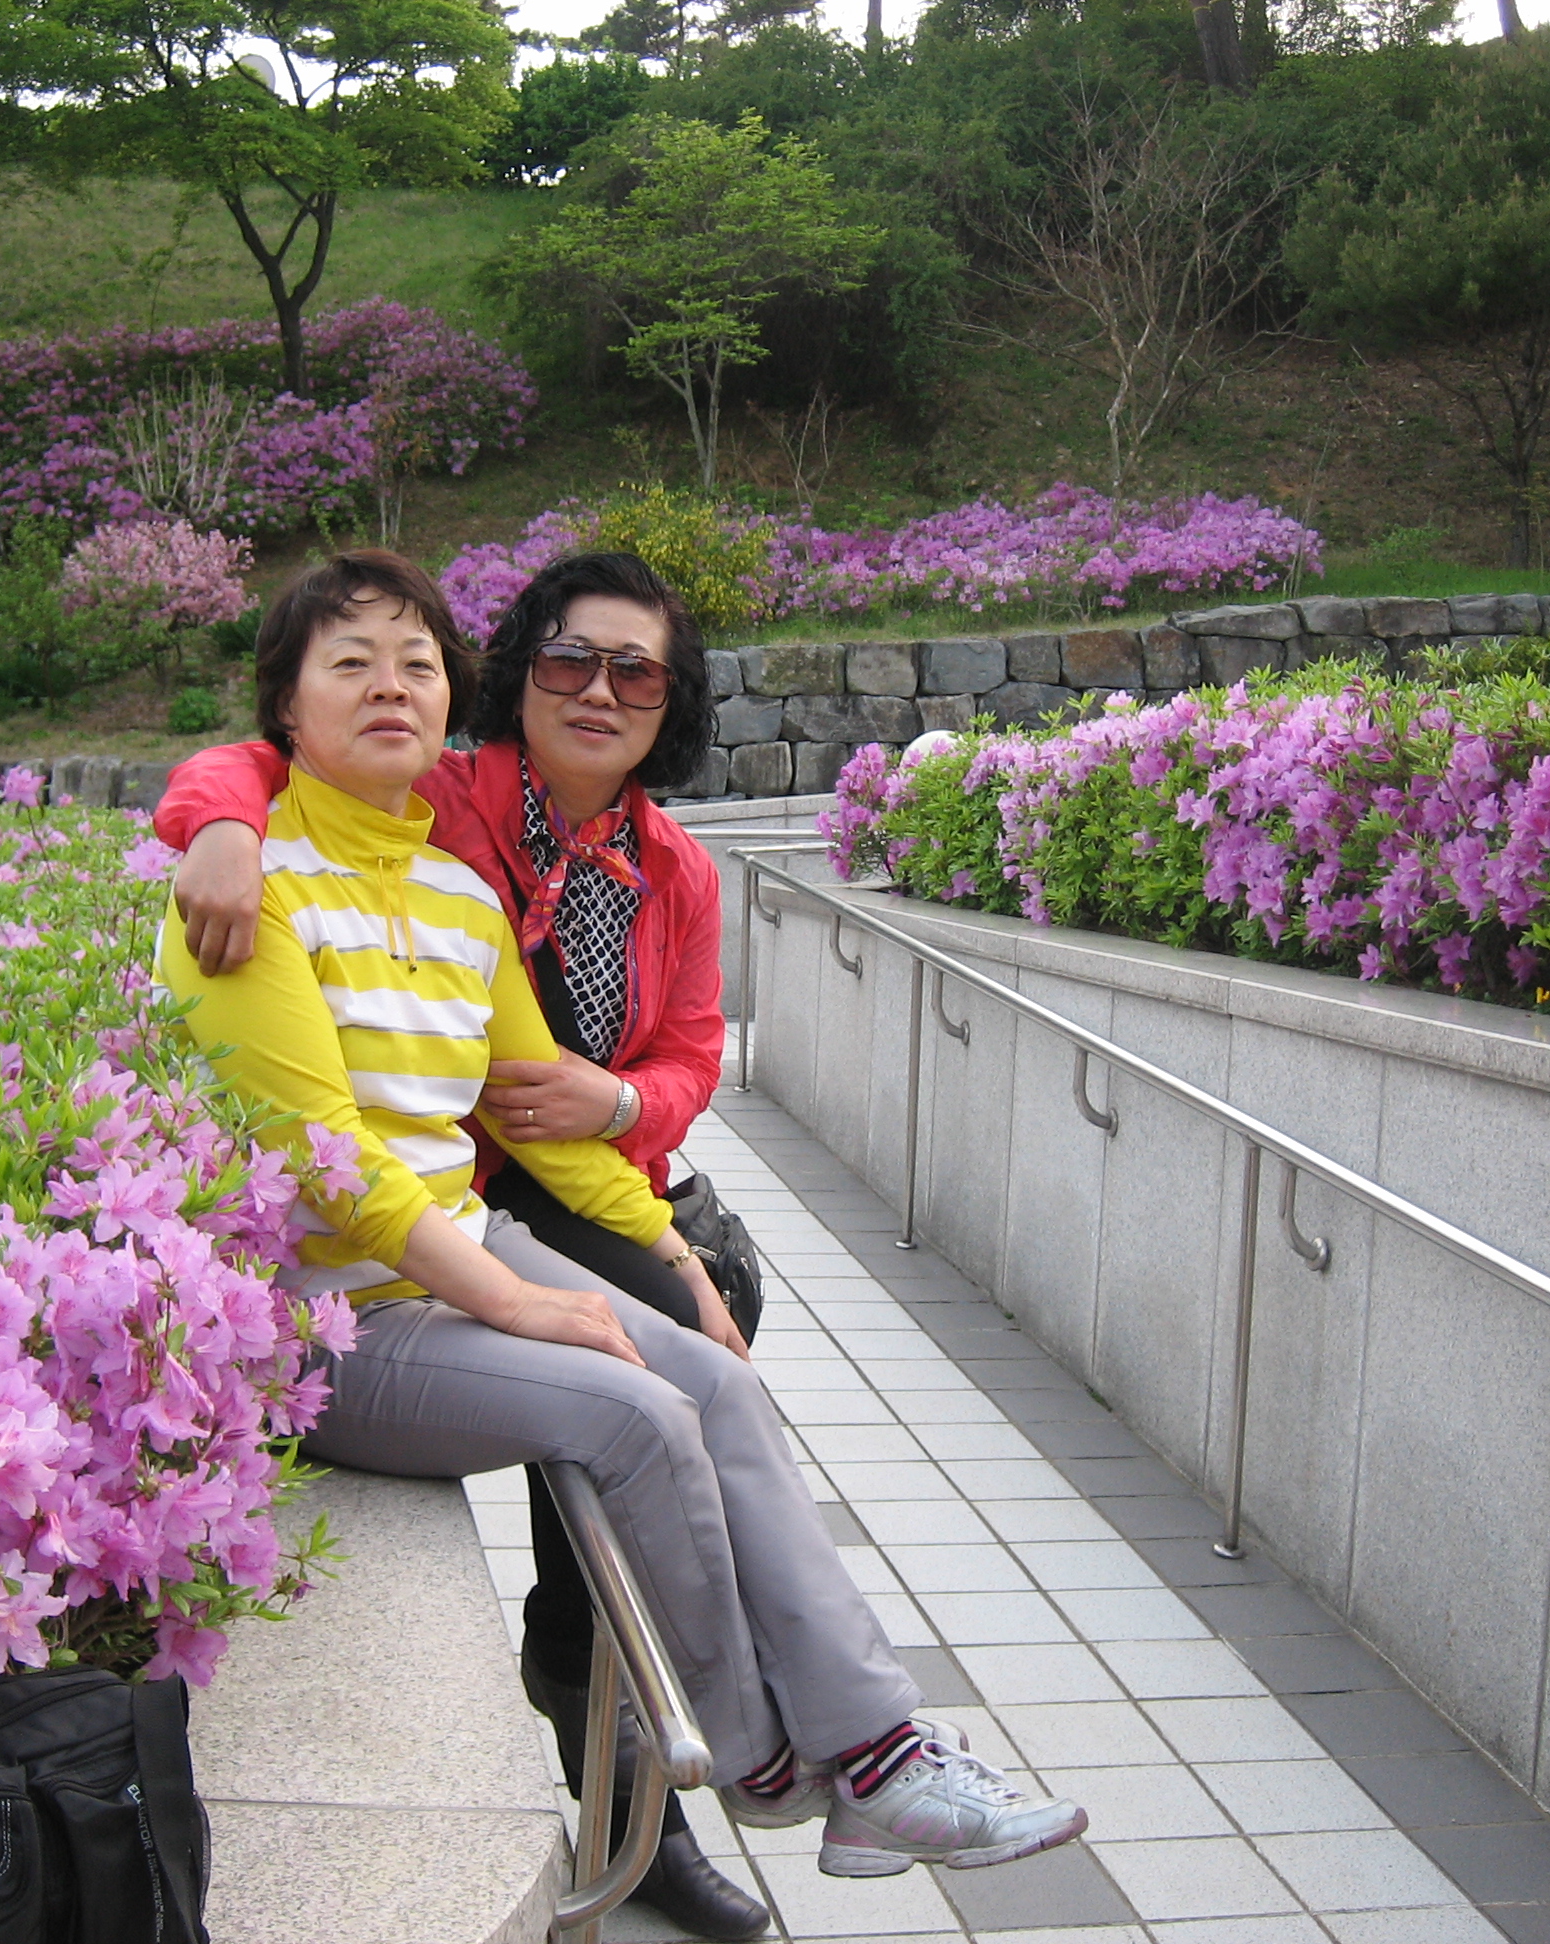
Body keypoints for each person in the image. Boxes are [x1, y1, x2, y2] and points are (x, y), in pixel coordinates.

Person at [155, 550, 1088, 1910]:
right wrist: (528, 1301)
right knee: (640, 1413)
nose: (392, 687)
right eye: (350, 664)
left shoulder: (475, 893)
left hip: (468, 1236)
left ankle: (878, 1752)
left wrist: (674, 1263)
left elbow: (579, 1106)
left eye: (416, 664)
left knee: (717, 1377)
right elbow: (333, 1167)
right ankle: (765, 1760)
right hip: (334, 1305)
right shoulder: (270, 878)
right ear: (288, 704)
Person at [153, 551, 754, 1931]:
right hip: (448, 1208)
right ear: (517, 676)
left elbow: (689, 1055)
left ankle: (613, 1740)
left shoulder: (674, 866)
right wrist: (222, 827)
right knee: (624, 1407)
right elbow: (260, 756)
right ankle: (651, 1750)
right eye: (569, 659)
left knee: (701, 1335)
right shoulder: (454, 791)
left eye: (638, 673)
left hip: (571, 1179)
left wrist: (619, 1106)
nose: (599, 691)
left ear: (673, 702)